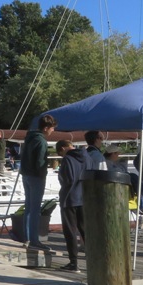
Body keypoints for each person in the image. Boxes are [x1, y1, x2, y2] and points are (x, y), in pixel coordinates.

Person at [20, 114, 57, 251]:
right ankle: (35, 240)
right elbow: (40, 161)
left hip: (26, 174)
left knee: (28, 207)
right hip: (36, 176)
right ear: (46, 128)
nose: (52, 131)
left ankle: (27, 238)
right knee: (35, 209)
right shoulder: (41, 141)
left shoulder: (29, 138)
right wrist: (43, 174)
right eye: (52, 128)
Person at [55, 140, 90, 272]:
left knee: (70, 231)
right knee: (85, 230)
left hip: (69, 199)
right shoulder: (87, 156)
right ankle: (93, 260)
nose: (61, 156)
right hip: (84, 197)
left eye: (60, 154)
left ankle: (73, 263)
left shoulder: (67, 159)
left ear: (63, 148)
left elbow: (67, 179)